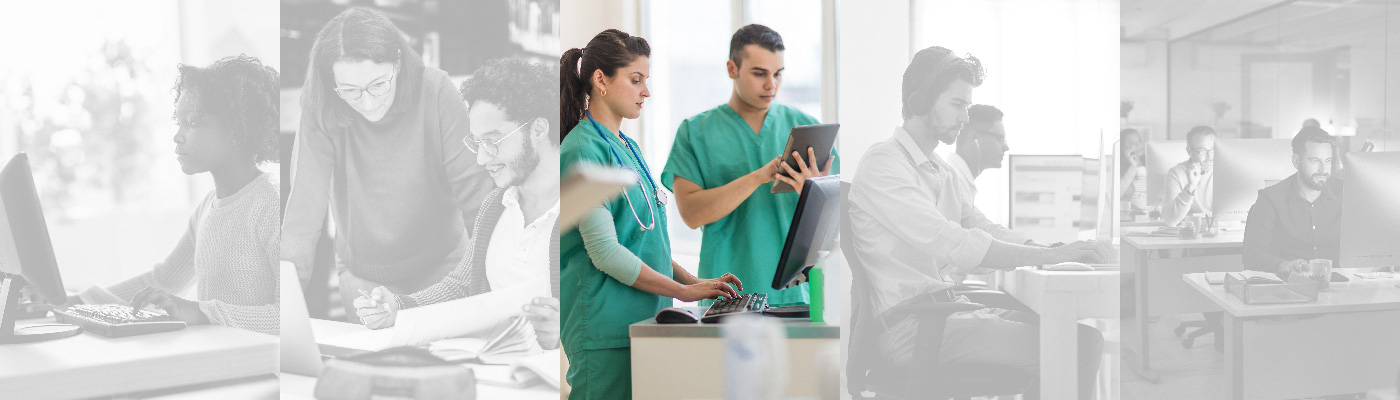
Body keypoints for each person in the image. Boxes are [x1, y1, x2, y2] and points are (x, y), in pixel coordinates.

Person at [846, 46, 1111, 399]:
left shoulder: (939, 169)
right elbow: (953, 241)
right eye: (958, 104)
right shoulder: (884, 165)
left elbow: (982, 227)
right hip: (911, 329)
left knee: (1079, 337)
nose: (965, 116)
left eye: (968, 106)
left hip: (939, 315)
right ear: (922, 99)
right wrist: (1050, 258)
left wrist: (1050, 250)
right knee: (1077, 346)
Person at [559, 29, 743, 400]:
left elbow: (643, 239)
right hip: (604, 329)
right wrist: (682, 292)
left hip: (641, 322)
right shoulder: (581, 149)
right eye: (636, 80)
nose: (646, 92)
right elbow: (607, 253)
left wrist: (695, 281)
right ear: (600, 80)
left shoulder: (627, 146)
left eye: (647, 80)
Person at [282, 8, 492, 321]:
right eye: (350, 91)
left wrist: (489, 283)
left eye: (378, 84)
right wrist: (283, 313)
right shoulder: (321, 109)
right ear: (331, 84)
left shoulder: (436, 91)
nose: (368, 103)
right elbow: (302, 221)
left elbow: (479, 199)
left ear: (397, 62)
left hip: (445, 265)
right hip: (364, 275)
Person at [351, 58, 561, 351]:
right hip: (493, 371)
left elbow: (627, 315)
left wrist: (564, 335)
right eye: (477, 143)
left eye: (493, 141)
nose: (482, 159)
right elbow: (462, 286)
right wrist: (400, 307)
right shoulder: (496, 206)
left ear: (538, 130)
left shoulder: (590, 210)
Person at [71, 55, 281, 336]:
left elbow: (285, 318)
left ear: (236, 129)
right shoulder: (207, 207)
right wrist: (80, 302)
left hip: (259, 369)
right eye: (178, 122)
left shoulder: (272, 204)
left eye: (192, 123)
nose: (178, 136)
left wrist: (200, 311)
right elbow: (163, 280)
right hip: (219, 361)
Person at [661, 24, 836, 306]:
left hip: (796, 295)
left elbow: (837, 224)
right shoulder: (695, 132)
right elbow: (691, 214)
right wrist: (758, 177)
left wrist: (814, 193)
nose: (771, 85)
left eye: (778, 74)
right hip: (728, 295)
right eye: (759, 74)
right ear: (732, 69)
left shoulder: (807, 128)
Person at [1242, 126, 1343, 275]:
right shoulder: (1271, 199)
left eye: (1327, 161)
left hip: (1341, 285)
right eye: (1315, 160)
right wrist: (1285, 266)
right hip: (1289, 288)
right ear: (1296, 161)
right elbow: (1253, 255)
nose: (1323, 169)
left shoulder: (1346, 194)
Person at [947, 104, 1010, 202]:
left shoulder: (960, 181)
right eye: (999, 139)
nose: (1006, 147)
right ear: (973, 138)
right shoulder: (952, 183)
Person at [1161, 126, 1216, 227]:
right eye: (1202, 151)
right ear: (1189, 151)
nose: (1210, 156)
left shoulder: (1226, 171)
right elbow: (1170, 221)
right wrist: (1190, 186)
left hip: (1222, 233)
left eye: (1213, 149)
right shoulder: (1176, 174)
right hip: (1189, 234)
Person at [1120, 128, 1148, 217]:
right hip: (1127, 216)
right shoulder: (1118, 166)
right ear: (1124, 148)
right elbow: (1118, 194)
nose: (1138, 146)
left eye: (1139, 141)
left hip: (1149, 214)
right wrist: (1133, 167)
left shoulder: (1151, 160)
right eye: (1133, 144)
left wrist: (1139, 166)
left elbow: (1151, 191)